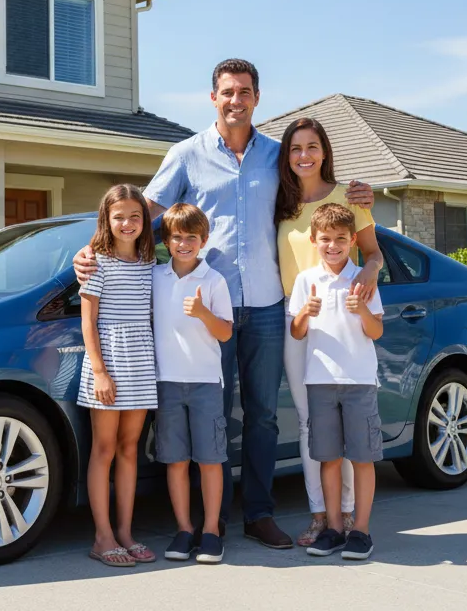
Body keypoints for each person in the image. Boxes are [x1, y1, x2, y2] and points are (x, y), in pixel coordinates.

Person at [74, 58, 374, 548]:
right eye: (228, 92)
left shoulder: (277, 156)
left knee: (262, 416)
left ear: (257, 98)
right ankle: (203, 523)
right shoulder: (186, 154)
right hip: (206, 308)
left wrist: (360, 192)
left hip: (267, 306)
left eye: (245, 92)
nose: (236, 100)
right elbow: (139, 213)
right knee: (210, 416)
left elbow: (319, 192)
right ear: (213, 97)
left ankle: (258, 514)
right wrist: (92, 247)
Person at [274, 117, 384, 547]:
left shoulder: (349, 197)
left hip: (344, 315)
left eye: (312, 146)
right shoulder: (280, 202)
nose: (304, 155)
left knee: (349, 430)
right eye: (295, 148)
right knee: (312, 424)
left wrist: (367, 275)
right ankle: (322, 516)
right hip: (299, 315)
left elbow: (373, 253)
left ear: (325, 152)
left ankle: (352, 517)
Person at [288, 203, 385, 561]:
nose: (333, 246)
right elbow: (297, 332)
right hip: (320, 381)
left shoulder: (363, 279)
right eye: (326, 239)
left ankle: (361, 530)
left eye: (341, 239)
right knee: (328, 458)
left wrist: (362, 310)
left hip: (358, 381)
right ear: (313, 241)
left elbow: (376, 330)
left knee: (362, 457)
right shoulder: (305, 281)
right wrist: (304, 313)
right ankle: (333, 528)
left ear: (353, 240)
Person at [77, 184, 159, 567]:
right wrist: (100, 372)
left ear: (145, 220)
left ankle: (125, 532)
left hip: (141, 363)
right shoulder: (96, 262)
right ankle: (102, 536)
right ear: (106, 220)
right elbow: (88, 322)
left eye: (135, 216)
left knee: (130, 449)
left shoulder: (150, 263)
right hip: (108, 361)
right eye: (119, 217)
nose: (128, 223)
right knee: (105, 449)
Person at [152, 204, 233, 565]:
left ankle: (211, 530)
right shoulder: (155, 277)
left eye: (191, 237)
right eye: (176, 237)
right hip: (167, 382)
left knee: (210, 460)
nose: (183, 244)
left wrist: (202, 313)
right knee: (176, 461)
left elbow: (225, 332)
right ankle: (184, 529)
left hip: (205, 383)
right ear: (166, 241)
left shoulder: (213, 280)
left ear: (204, 240)